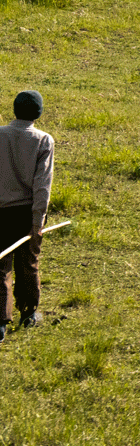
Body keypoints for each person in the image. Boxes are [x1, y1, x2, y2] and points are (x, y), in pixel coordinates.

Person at [0, 89, 52, 339]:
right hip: (27, 213)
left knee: (0, 268)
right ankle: (28, 313)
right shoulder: (43, 141)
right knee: (28, 264)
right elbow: (42, 186)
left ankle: (0, 322)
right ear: (38, 114)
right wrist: (38, 221)